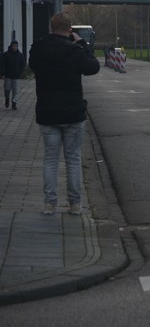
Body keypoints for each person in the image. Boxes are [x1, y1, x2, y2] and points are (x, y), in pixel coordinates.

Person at [28, 13, 100, 215]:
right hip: (72, 113)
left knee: (50, 159)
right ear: (70, 31)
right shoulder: (75, 51)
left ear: (51, 28)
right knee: (73, 159)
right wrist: (83, 44)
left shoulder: (39, 49)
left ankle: (49, 203)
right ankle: (75, 204)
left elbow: (32, 66)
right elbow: (93, 67)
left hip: (47, 111)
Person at [1, 40, 26, 110]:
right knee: (7, 89)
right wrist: (2, 74)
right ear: (11, 46)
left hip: (16, 76)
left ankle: (14, 104)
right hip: (7, 76)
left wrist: (20, 72)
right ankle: (7, 99)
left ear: (17, 47)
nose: (14, 47)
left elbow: (23, 65)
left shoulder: (20, 55)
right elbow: (2, 65)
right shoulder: (6, 54)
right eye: (13, 46)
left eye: (16, 46)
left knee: (15, 91)